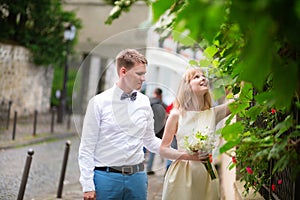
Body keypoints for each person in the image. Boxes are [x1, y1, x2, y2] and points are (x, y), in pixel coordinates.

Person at [78, 49, 161, 200]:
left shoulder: (144, 101)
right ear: (123, 71)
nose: (143, 79)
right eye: (139, 74)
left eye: (144, 74)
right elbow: (86, 147)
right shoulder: (98, 103)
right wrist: (88, 185)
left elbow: (150, 140)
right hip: (106, 179)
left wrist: (181, 153)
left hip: (137, 179)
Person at [160, 67, 232, 200]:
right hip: (182, 175)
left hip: (206, 174)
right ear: (187, 86)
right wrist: (190, 156)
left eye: (203, 76)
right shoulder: (176, 114)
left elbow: (237, 103)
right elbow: (163, 149)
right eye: (196, 77)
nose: (203, 78)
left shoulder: (212, 113)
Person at [146, 87, 167, 175]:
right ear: (160, 95)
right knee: (152, 150)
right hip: (158, 130)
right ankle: (149, 168)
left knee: (142, 148)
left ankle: (140, 167)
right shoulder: (163, 104)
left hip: (146, 128)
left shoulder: (147, 101)